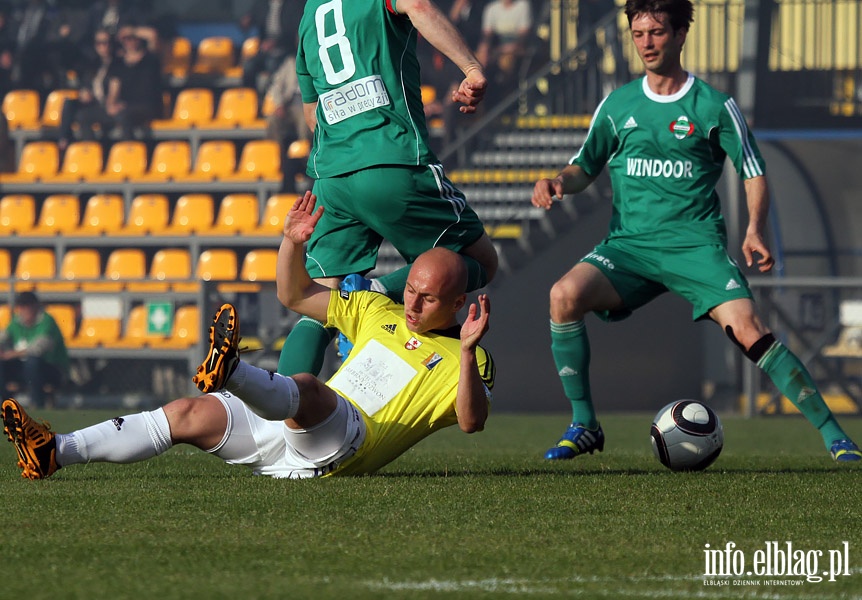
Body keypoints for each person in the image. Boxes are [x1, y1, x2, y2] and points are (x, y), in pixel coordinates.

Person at [530, 0, 861, 463]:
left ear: (682, 34)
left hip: (695, 247)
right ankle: (584, 425)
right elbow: (584, 166)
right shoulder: (618, 104)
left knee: (750, 330)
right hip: (629, 248)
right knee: (563, 295)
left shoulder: (713, 104)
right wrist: (556, 182)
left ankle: (836, 437)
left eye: (658, 33)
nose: (647, 43)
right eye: (639, 33)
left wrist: (755, 231)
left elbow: (752, 170)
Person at [3, 193, 493, 481]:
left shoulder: (467, 357)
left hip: (344, 444)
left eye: (426, 300)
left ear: (456, 305)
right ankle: (53, 451)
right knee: (184, 413)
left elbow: (471, 422)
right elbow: (296, 295)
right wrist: (291, 243)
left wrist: (468, 352)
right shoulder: (374, 308)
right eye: (409, 289)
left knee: (310, 386)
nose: (410, 303)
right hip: (288, 431)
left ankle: (232, 369)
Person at [278, 0, 499, 378]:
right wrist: (472, 69)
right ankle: (374, 296)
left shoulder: (309, 18)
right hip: (392, 160)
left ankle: (281, 417)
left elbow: (312, 115)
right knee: (481, 262)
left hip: (332, 177)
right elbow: (418, 4)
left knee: (321, 301)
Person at [0, 292, 69, 410]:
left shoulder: (47, 322)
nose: (24, 310)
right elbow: (3, 337)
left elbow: (38, 349)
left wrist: (10, 354)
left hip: (51, 369)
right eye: (21, 306)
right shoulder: (16, 322)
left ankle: (37, 403)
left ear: (36, 306)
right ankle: (5, 403)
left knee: (32, 362)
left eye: (27, 306)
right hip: (25, 369)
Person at [58, 28, 118, 150]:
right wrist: (84, 92)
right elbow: (86, 83)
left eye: (105, 43)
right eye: (99, 43)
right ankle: (64, 138)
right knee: (69, 103)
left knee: (83, 116)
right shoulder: (92, 64)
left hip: (107, 105)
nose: (103, 47)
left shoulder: (118, 64)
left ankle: (90, 150)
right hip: (93, 103)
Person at [104, 25, 162, 140]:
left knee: (124, 116)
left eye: (132, 38)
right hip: (125, 105)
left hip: (147, 106)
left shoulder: (150, 58)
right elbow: (114, 88)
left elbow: (152, 35)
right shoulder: (118, 63)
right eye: (126, 39)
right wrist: (111, 105)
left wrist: (132, 30)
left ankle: (128, 150)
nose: (129, 42)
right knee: (85, 116)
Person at [475, 0, 533, 89]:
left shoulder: (523, 5)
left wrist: (498, 51)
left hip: (514, 51)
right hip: (496, 49)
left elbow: (522, 40)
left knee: (505, 63)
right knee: (476, 62)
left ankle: (504, 91)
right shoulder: (491, 8)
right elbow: (486, 37)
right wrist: (484, 50)